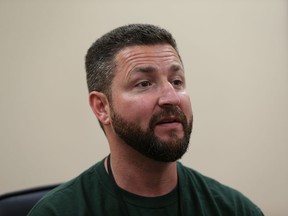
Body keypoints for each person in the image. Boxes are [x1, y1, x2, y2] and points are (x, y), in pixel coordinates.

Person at [28, 24, 264, 216]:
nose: (171, 97)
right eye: (144, 83)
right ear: (102, 107)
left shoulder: (234, 209)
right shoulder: (57, 212)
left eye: (177, 81)